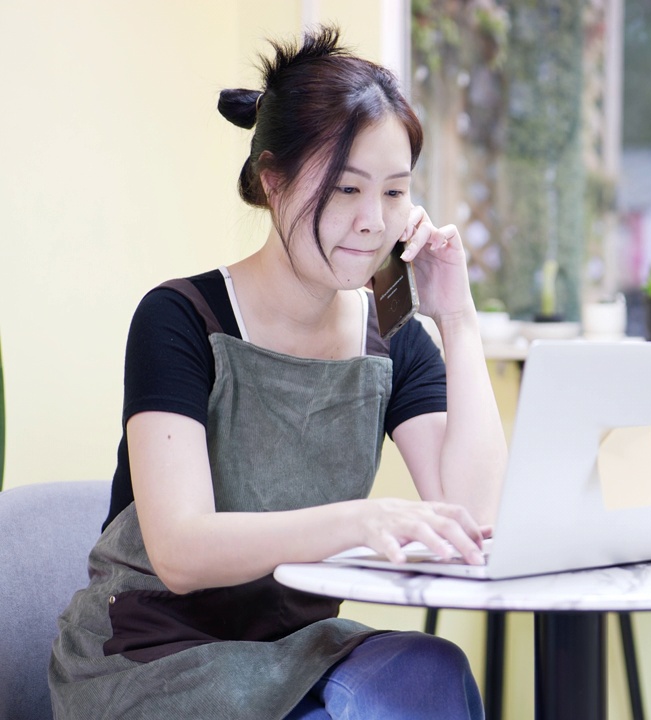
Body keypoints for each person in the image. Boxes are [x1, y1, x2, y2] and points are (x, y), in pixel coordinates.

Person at [48, 26, 506, 720]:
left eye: (393, 192)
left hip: (294, 649)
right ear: (273, 179)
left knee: (427, 672)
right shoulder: (182, 318)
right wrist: (361, 519)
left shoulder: (394, 342)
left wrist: (459, 320)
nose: (371, 221)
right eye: (347, 188)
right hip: (152, 657)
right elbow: (180, 550)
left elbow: (474, 521)